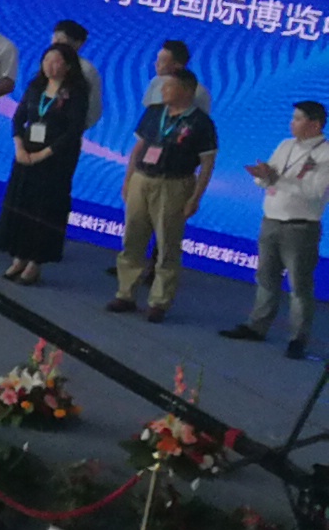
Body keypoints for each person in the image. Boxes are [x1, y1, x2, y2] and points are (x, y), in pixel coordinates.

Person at [111, 63, 221, 318]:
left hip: (174, 184)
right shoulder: (154, 112)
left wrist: (195, 197)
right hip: (142, 179)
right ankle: (125, 293)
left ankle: (159, 302)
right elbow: (138, 148)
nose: (163, 90)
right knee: (132, 238)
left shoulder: (201, 122)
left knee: (167, 244)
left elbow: (207, 164)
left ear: (187, 90)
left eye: (169, 86)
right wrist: (128, 180)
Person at [225, 100, 329, 358]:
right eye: (293, 118)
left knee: (299, 286)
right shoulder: (285, 145)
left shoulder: (325, 153)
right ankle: (257, 326)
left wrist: (277, 180)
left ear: (315, 125)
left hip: (300, 227)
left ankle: (298, 338)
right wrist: (262, 175)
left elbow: (316, 191)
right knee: (266, 277)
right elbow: (268, 178)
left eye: (298, 119)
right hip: (270, 220)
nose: (291, 123)